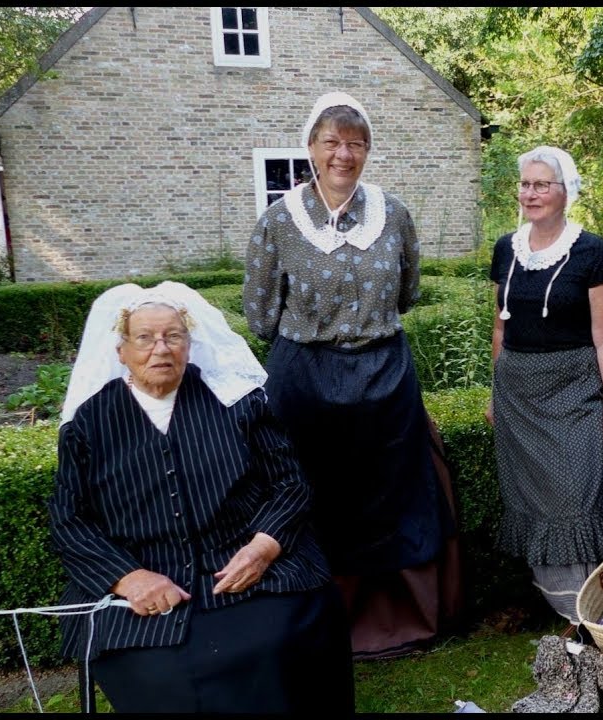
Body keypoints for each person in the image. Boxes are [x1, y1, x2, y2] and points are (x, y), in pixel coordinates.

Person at [48, 281, 353, 714]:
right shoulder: (89, 423)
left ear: (190, 345)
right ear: (121, 351)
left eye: (173, 336)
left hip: (245, 565)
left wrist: (264, 548)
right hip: (145, 579)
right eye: (145, 338)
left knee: (279, 639)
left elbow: (291, 484)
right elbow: (68, 519)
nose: (161, 348)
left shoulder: (236, 403)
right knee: (156, 670)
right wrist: (128, 578)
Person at [243, 91, 461, 659]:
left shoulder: (394, 214)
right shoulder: (278, 223)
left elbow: (407, 292)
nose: (344, 153)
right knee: (310, 495)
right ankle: (315, 619)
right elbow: (261, 313)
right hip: (306, 386)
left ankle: (400, 622)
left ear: (368, 151)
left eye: (356, 143)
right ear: (311, 147)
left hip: (385, 378)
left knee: (395, 496)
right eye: (332, 142)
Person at [485, 146, 603, 624]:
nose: (531, 193)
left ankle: (588, 609)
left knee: (576, 496)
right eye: (526, 184)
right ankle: (557, 603)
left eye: (542, 184)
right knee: (529, 498)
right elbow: (500, 328)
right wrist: (494, 392)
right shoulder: (506, 248)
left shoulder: (591, 250)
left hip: (573, 391)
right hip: (517, 395)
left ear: (567, 191)